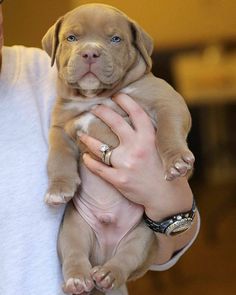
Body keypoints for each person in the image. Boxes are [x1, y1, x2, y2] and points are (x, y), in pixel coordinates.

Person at [0, 1, 199, 294]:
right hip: (84, 233)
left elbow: (178, 238)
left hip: (131, 236)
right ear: (56, 43)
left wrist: (165, 189)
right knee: (73, 236)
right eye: (72, 37)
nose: (90, 51)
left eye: (114, 38)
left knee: (133, 245)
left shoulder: (46, 76)